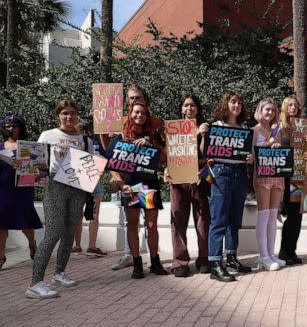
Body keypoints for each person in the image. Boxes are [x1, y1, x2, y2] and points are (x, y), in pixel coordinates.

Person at [26, 100, 95, 299]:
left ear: (77, 115)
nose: (69, 117)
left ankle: (59, 272)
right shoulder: (48, 135)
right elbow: (35, 163)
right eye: (64, 113)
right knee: (53, 233)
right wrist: (39, 168)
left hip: (78, 189)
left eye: (72, 113)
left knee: (69, 232)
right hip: (55, 187)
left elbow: (89, 167)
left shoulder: (85, 140)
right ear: (58, 115)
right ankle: (35, 282)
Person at [103, 84, 162, 271]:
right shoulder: (120, 133)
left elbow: (164, 159)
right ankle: (137, 263)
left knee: (151, 225)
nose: (139, 115)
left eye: (142, 113)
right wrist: (121, 185)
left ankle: (155, 262)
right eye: (136, 111)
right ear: (130, 111)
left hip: (149, 184)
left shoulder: (153, 133)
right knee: (133, 224)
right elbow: (111, 162)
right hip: (130, 186)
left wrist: (150, 143)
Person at [206, 91, 253, 282]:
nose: (237, 105)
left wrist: (250, 158)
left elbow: (249, 154)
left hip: (239, 173)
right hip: (221, 174)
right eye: (233, 102)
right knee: (219, 219)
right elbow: (206, 152)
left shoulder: (244, 128)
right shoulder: (215, 127)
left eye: (239, 103)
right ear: (225, 104)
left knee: (234, 220)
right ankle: (215, 263)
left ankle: (231, 257)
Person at [164, 94, 211, 277]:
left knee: (203, 221)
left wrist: (202, 134)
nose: (189, 108)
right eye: (186, 105)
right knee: (178, 220)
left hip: (199, 179)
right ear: (181, 109)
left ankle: (204, 260)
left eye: (193, 105)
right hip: (178, 180)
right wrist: (167, 170)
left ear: (198, 109)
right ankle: (180, 262)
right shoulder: (174, 129)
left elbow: (210, 159)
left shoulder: (206, 127)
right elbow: (169, 155)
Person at [0, 115, 43, 270]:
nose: (10, 128)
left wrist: (32, 170)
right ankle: (0, 256)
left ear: (20, 127)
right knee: (1, 224)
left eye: (13, 125)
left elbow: (40, 167)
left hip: (23, 189)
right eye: (7, 126)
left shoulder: (29, 146)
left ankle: (32, 244)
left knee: (25, 222)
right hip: (3, 190)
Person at [252, 98, 285, 271]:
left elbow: (279, 150)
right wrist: (268, 143)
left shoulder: (277, 129)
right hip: (262, 176)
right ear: (260, 111)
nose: (270, 113)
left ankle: (272, 254)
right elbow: (250, 155)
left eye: (273, 110)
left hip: (277, 175)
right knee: (263, 215)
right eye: (267, 110)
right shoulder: (254, 131)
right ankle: (263, 256)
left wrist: (277, 145)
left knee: (273, 215)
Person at [72, 123, 107, 257]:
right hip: (94, 180)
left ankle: (77, 245)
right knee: (93, 215)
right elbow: (105, 159)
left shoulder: (75, 143)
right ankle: (91, 246)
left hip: (78, 181)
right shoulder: (97, 143)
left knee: (77, 215)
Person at [277, 95, 304, 265]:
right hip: (283, 178)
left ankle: (291, 252)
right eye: (290, 105)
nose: (294, 108)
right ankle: (283, 252)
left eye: (296, 105)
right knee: (287, 215)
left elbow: (304, 152)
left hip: (298, 177)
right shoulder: (279, 128)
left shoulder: (301, 128)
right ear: (285, 107)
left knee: (296, 216)